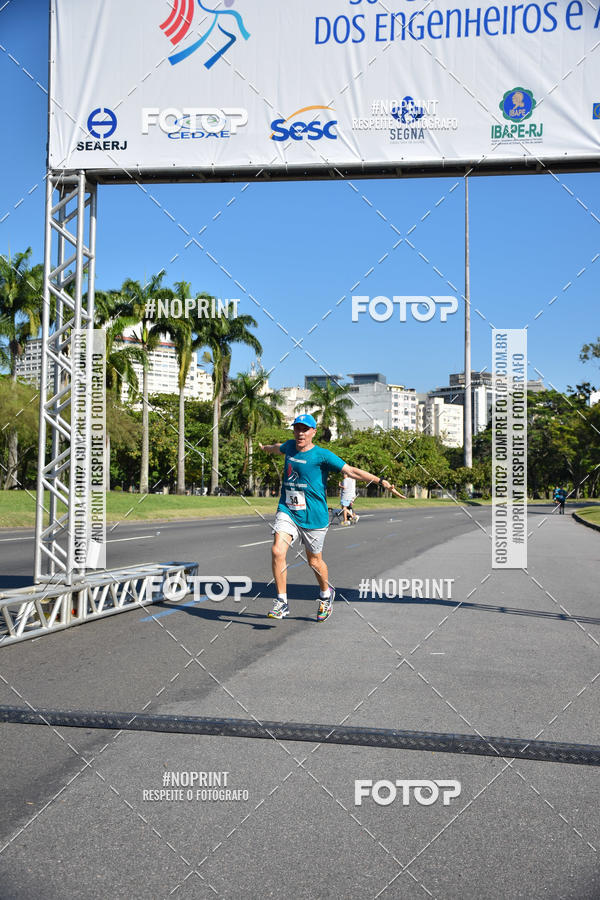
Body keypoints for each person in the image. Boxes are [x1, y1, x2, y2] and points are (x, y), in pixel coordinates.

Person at [259, 414, 396, 622]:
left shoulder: (322, 455)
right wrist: (265, 448)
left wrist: (380, 481)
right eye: (297, 428)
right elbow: (278, 448)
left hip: (315, 516)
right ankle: (282, 602)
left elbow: (351, 471)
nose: (300, 433)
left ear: (313, 432)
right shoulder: (290, 446)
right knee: (277, 550)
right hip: (288, 510)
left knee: (314, 561)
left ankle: (325, 593)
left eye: (305, 429)